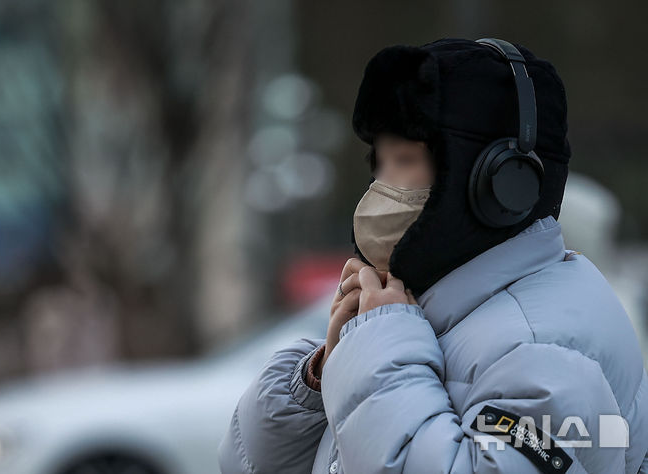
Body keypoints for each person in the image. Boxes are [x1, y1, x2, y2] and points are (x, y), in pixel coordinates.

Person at [217, 37, 648, 474]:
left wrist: (379, 349)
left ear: (502, 185)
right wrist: (324, 375)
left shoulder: (546, 347)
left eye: (404, 160)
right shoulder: (432, 308)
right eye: (378, 164)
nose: (380, 190)